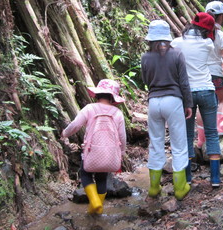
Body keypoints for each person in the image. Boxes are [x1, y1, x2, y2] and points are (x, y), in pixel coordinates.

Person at [141, 20, 193, 200]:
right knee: (179, 145)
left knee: (156, 143)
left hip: (154, 102)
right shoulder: (177, 54)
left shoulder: (145, 57)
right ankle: (180, 188)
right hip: (174, 100)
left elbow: (145, 81)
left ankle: (154, 188)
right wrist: (188, 103)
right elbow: (184, 83)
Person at [61, 79, 127, 215]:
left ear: (97, 94)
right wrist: (122, 151)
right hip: (109, 153)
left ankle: (95, 202)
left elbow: (75, 125)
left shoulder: (90, 108)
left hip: (92, 151)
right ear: (113, 97)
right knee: (102, 177)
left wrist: (65, 133)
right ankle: (96, 209)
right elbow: (122, 136)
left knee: (85, 174)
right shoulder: (117, 113)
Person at [171, 12, 222, 187]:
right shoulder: (208, 43)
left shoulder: (177, 43)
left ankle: (187, 178)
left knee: (187, 135)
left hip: (186, 93)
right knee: (212, 133)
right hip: (207, 90)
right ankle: (215, 178)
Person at [195, 1, 223, 146]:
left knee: (200, 107)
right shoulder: (222, 36)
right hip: (216, 73)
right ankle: (220, 126)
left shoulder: (198, 35)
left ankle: (201, 138)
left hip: (201, 74)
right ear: (220, 16)